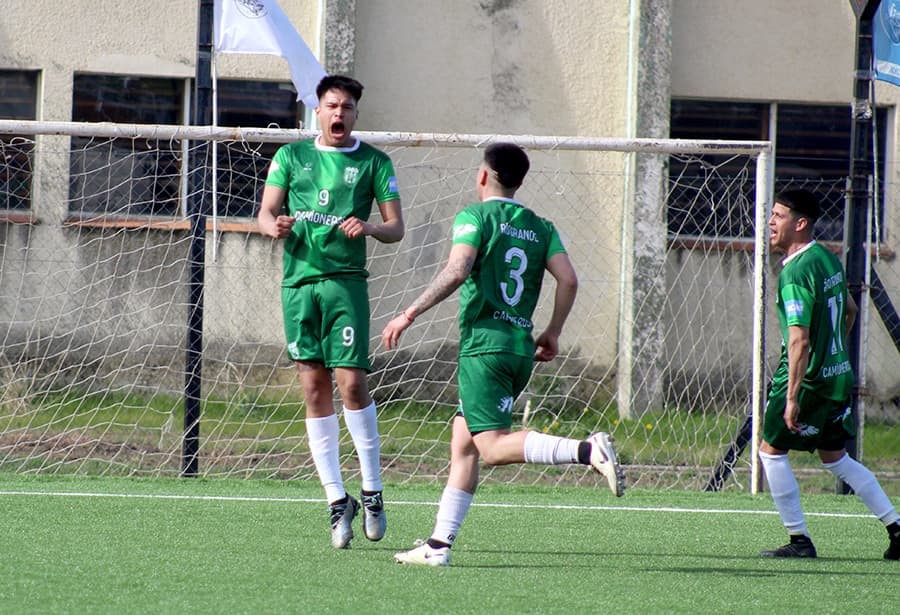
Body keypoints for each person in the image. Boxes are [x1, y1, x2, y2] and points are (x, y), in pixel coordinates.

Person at [381, 143, 625, 567]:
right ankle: (438, 546)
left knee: (490, 448)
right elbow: (568, 279)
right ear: (520, 181)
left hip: (484, 349)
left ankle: (588, 451)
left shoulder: (474, 217)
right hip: (519, 350)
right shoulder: (540, 226)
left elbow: (458, 270)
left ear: (482, 176)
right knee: (465, 443)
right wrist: (552, 331)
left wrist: (409, 313)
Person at [257, 75, 404, 549]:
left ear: (356, 114)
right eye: (331, 106)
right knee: (313, 387)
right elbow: (264, 213)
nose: (339, 114)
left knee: (352, 383)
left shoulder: (374, 163)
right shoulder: (291, 156)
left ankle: (373, 489)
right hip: (299, 284)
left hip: (345, 284)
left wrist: (371, 227)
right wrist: (272, 227)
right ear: (317, 112)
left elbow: (396, 227)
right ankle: (337, 501)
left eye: (347, 108)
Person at [760, 189, 899, 560]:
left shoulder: (795, 273)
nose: (771, 222)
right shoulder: (826, 258)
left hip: (808, 381)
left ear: (800, 223)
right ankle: (897, 529)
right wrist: (834, 348)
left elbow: (800, 341)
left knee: (771, 452)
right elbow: (850, 309)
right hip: (837, 375)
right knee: (836, 457)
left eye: (778, 216)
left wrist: (791, 397)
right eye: (771, 215)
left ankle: (799, 540)